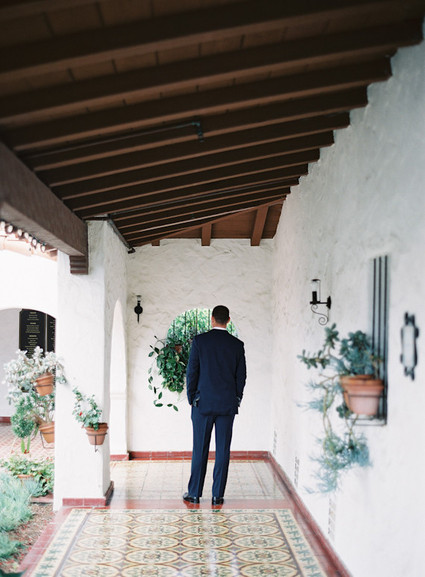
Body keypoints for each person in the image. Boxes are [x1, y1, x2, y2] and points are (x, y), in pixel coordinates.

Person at [183, 305, 247, 505]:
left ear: (212, 319)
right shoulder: (237, 345)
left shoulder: (200, 341)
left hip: (202, 404)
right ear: (228, 320)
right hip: (227, 405)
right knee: (223, 450)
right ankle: (217, 495)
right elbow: (241, 376)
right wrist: (236, 398)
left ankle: (194, 493)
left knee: (199, 449)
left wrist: (192, 398)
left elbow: (192, 372)